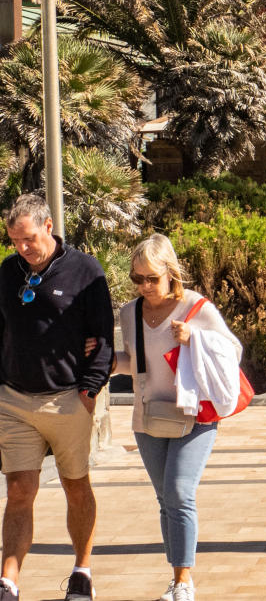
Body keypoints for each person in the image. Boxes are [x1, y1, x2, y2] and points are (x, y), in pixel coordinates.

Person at [110, 234, 242, 601]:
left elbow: (232, 353)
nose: (145, 286)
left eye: (152, 278)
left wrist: (194, 339)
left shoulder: (197, 309)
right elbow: (135, 364)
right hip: (150, 416)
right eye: (137, 279)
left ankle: (185, 581)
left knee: (180, 492)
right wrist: (108, 363)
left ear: (170, 272)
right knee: (164, 498)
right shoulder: (130, 312)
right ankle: (175, 578)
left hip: (195, 415)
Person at [0, 195, 114, 601]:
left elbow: (102, 339)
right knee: (18, 490)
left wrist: (88, 391)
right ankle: (9, 581)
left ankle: (82, 571)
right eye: (15, 241)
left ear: (48, 227)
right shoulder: (8, 272)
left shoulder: (85, 270)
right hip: (14, 400)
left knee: (75, 486)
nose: (23, 248)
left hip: (68, 399)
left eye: (29, 238)